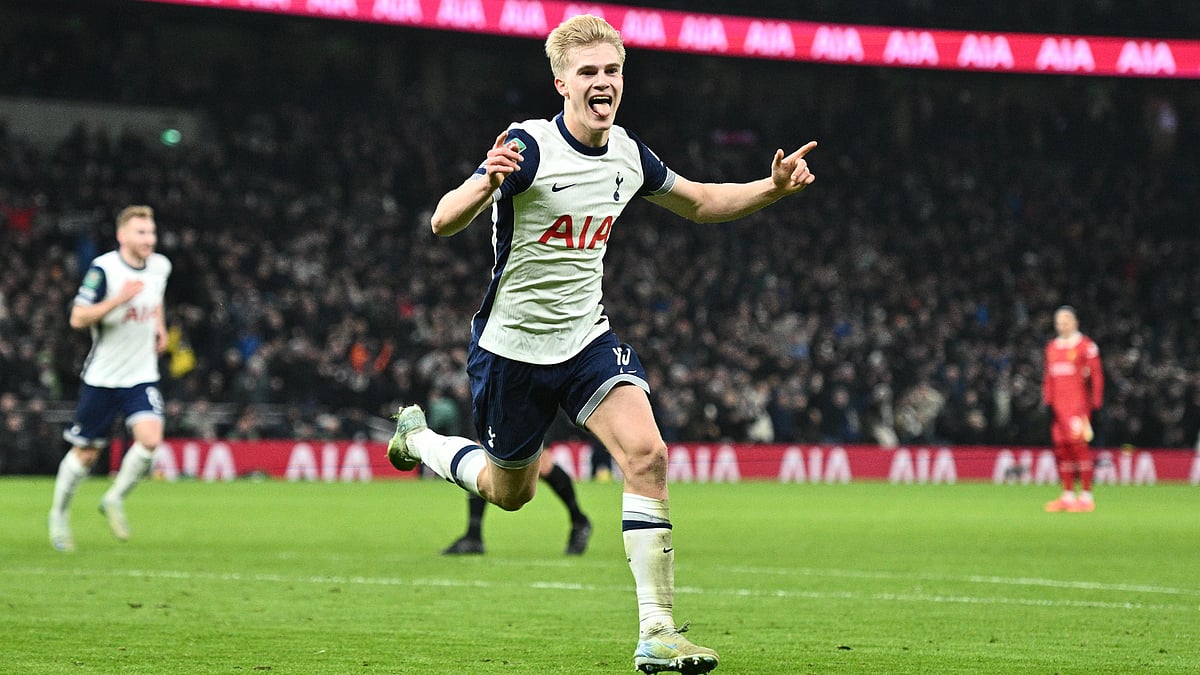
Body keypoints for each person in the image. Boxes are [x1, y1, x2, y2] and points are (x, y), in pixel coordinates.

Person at [385, 14, 816, 674]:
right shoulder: (527, 147)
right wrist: (485, 181)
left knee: (647, 453)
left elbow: (701, 202)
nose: (603, 81)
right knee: (510, 492)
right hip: (512, 351)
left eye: (612, 70)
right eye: (587, 71)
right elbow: (443, 221)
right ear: (562, 84)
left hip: (587, 340)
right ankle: (419, 441)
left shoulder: (627, 154)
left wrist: (773, 187)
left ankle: (657, 631)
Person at [48, 205, 171, 552]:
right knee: (85, 454)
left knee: (150, 439)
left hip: (141, 375)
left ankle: (114, 498)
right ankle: (59, 514)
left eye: (151, 232)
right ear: (122, 236)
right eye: (141, 233)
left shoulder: (160, 266)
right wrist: (119, 299)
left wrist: (160, 326)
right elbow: (77, 318)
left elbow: (156, 296)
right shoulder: (104, 270)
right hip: (103, 377)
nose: (149, 239)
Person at [442, 451, 592, 555]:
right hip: (495, 413)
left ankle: (579, 521)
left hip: (533, 413)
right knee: (482, 460)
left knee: (543, 464)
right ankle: (473, 536)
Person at [1042, 305, 1104, 512]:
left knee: (1080, 448)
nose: (1062, 325)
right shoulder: (1052, 347)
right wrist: (1047, 399)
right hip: (1058, 409)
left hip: (1078, 407)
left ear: (1075, 323)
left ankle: (1086, 497)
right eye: (1059, 322)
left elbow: (1096, 375)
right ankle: (1067, 496)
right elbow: (1049, 376)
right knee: (1062, 450)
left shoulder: (1086, 346)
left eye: (1066, 321)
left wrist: (1096, 402)